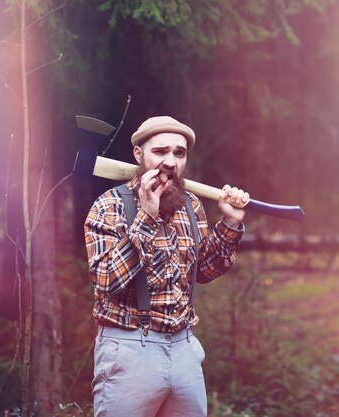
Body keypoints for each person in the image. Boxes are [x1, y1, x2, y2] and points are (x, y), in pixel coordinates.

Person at [84, 116, 249, 417]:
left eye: (179, 153)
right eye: (160, 152)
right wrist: (146, 218)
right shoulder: (109, 206)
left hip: (184, 348)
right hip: (130, 349)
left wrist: (229, 223)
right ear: (138, 155)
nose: (171, 161)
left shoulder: (191, 205)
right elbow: (106, 280)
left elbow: (205, 271)